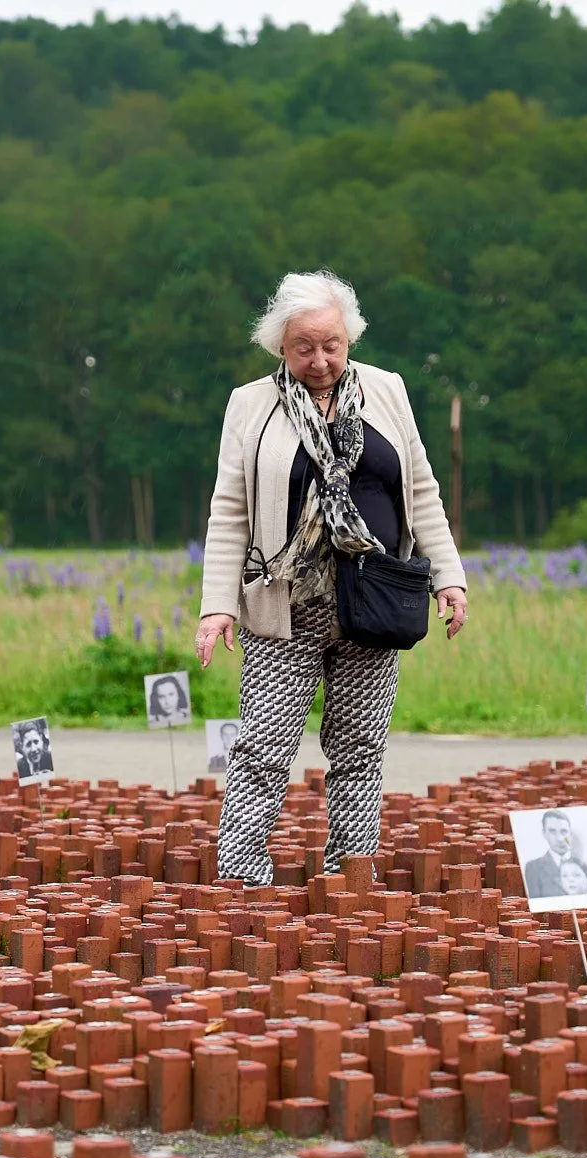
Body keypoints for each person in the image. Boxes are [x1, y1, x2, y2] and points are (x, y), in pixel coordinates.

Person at [198, 270, 468, 885]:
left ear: (350, 339)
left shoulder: (387, 390)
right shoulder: (250, 404)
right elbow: (229, 511)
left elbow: (421, 490)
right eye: (304, 348)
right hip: (282, 602)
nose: (320, 361)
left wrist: (449, 577)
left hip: (374, 599)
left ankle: (350, 874)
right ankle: (243, 876)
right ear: (279, 346)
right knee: (262, 747)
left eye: (332, 346)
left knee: (359, 749)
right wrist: (218, 605)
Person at [524, 811, 587, 898]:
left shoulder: (585, 865)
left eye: (564, 831)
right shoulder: (533, 867)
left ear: (570, 833)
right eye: (553, 832)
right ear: (544, 834)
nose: (560, 838)